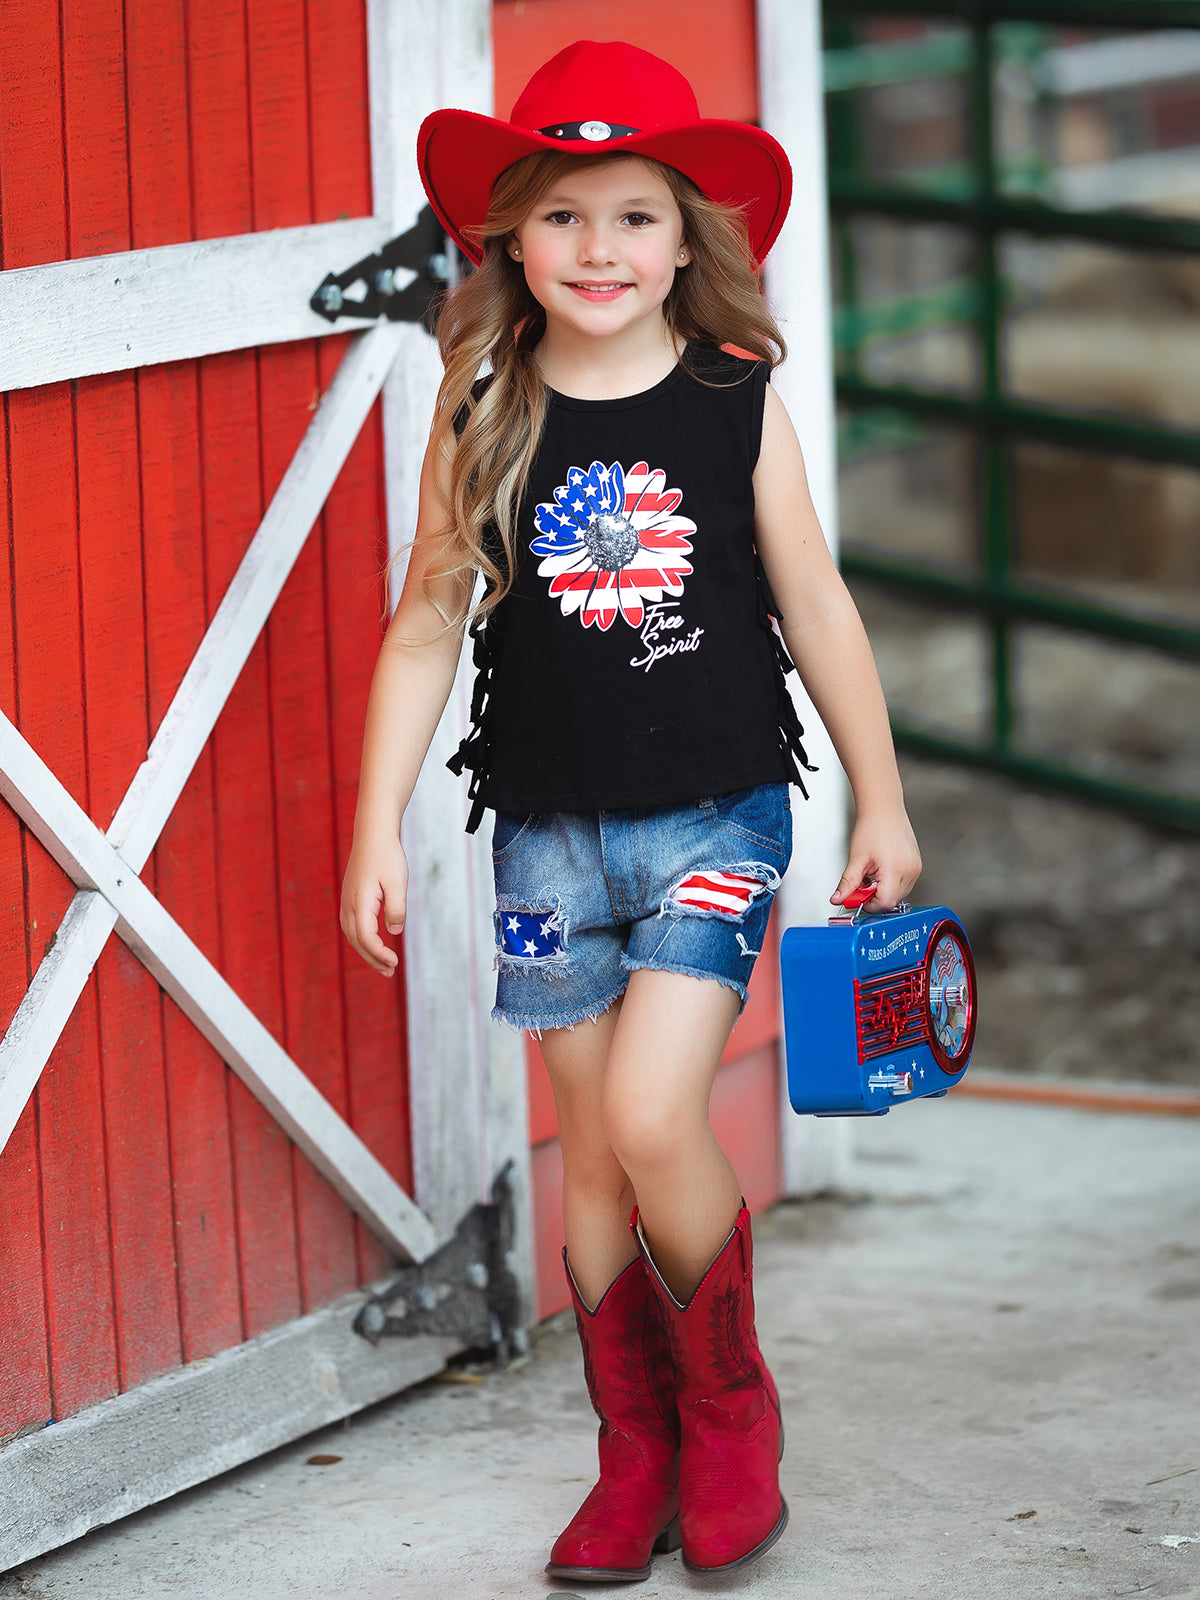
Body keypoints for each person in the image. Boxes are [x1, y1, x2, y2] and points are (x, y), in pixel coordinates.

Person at [340, 39, 921, 1584]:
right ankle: (633, 1442)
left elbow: (818, 608)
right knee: (589, 1152)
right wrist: (371, 824)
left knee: (659, 1112)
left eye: (636, 217)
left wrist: (883, 792)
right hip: (542, 832)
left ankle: (728, 1410)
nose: (601, 251)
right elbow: (421, 627)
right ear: (513, 243)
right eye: (565, 217)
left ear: (690, 239)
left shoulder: (738, 404)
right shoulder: (485, 409)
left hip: (715, 820)